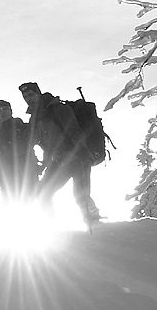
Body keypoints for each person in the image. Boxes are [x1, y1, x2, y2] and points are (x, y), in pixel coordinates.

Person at [18, 81, 101, 227]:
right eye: (25, 96)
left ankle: (95, 225)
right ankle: (50, 228)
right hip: (59, 161)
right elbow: (33, 141)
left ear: (38, 93)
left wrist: (82, 151)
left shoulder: (58, 109)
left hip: (77, 157)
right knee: (42, 193)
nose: (28, 98)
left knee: (80, 196)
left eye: (30, 94)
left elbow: (74, 130)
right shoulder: (35, 118)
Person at [0, 99, 40, 202]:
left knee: (37, 205)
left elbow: (38, 139)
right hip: (7, 181)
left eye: (5, 108)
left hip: (29, 175)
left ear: (11, 111)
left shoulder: (23, 128)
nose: (2, 111)